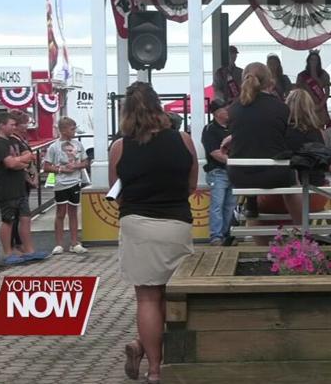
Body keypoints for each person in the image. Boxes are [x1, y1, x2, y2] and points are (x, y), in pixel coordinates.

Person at [110, 82, 197, 384]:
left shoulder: (119, 147)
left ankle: (155, 370)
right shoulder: (183, 140)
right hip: (176, 223)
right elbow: (191, 186)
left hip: (137, 224)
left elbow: (116, 193)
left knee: (147, 298)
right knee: (171, 295)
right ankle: (160, 356)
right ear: (159, 106)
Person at [226, 62, 304, 225]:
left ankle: (251, 203)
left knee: (250, 153)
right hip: (273, 175)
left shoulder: (233, 108)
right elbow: (282, 139)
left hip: (239, 175)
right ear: (269, 82)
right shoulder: (280, 107)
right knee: (292, 178)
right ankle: (302, 227)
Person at [0, 112, 44, 265]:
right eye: (11, 125)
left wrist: (20, 161)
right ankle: (8, 252)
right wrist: (20, 161)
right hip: (6, 188)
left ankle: (29, 250)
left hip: (20, 187)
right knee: (8, 220)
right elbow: (11, 164)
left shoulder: (13, 141)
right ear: (2, 125)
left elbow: (27, 157)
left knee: (25, 218)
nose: (14, 128)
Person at [43, 117, 89, 255]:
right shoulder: (54, 147)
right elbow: (46, 166)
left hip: (75, 182)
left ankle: (74, 243)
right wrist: (61, 170)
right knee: (60, 213)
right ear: (63, 130)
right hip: (61, 184)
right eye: (72, 129)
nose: (74, 131)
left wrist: (76, 165)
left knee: (73, 212)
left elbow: (85, 162)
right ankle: (58, 244)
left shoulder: (78, 145)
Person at [201, 99, 235, 246]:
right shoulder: (210, 130)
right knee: (217, 204)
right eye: (224, 109)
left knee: (230, 205)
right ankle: (216, 236)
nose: (227, 112)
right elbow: (215, 153)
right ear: (216, 113)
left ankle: (226, 234)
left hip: (233, 171)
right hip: (218, 172)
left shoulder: (233, 128)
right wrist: (236, 162)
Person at [7, 109, 37, 254]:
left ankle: (19, 242)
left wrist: (35, 175)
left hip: (27, 180)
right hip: (19, 182)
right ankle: (15, 243)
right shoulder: (13, 141)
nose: (26, 126)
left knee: (21, 214)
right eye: (24, 124)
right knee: (16, 215)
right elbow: (19, 163)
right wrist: (29, 179)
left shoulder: (22, 140)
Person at [295, 50, 331, 128]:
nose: (313, 62)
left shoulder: (323, 74)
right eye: (311, 60)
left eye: (316, 60)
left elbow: (327, 92)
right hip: (306, 106)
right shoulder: (302, 75)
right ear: (308, 61)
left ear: (319, 62)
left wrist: (321, 105)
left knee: (320, 127)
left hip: (320, 104)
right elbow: (299, 92)